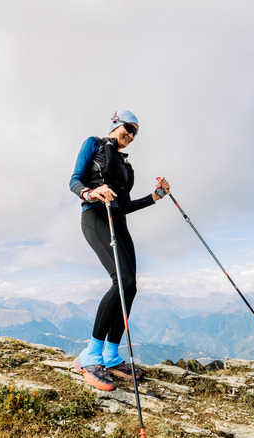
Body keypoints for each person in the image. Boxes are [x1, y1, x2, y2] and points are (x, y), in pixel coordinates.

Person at [69, 109, 170, 391]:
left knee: (132, 286)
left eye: (136, 132)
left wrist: (155, 197)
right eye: (129, 127)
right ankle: (89, 356)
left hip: (119, 221)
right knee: (122, 281)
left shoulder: (127, 168)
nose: (132, 135)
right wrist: (90, 193)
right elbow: (74, 180)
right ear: (116, 124)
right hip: (96, 217)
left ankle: (111, 356)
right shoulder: (95, 144)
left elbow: (124, 205)